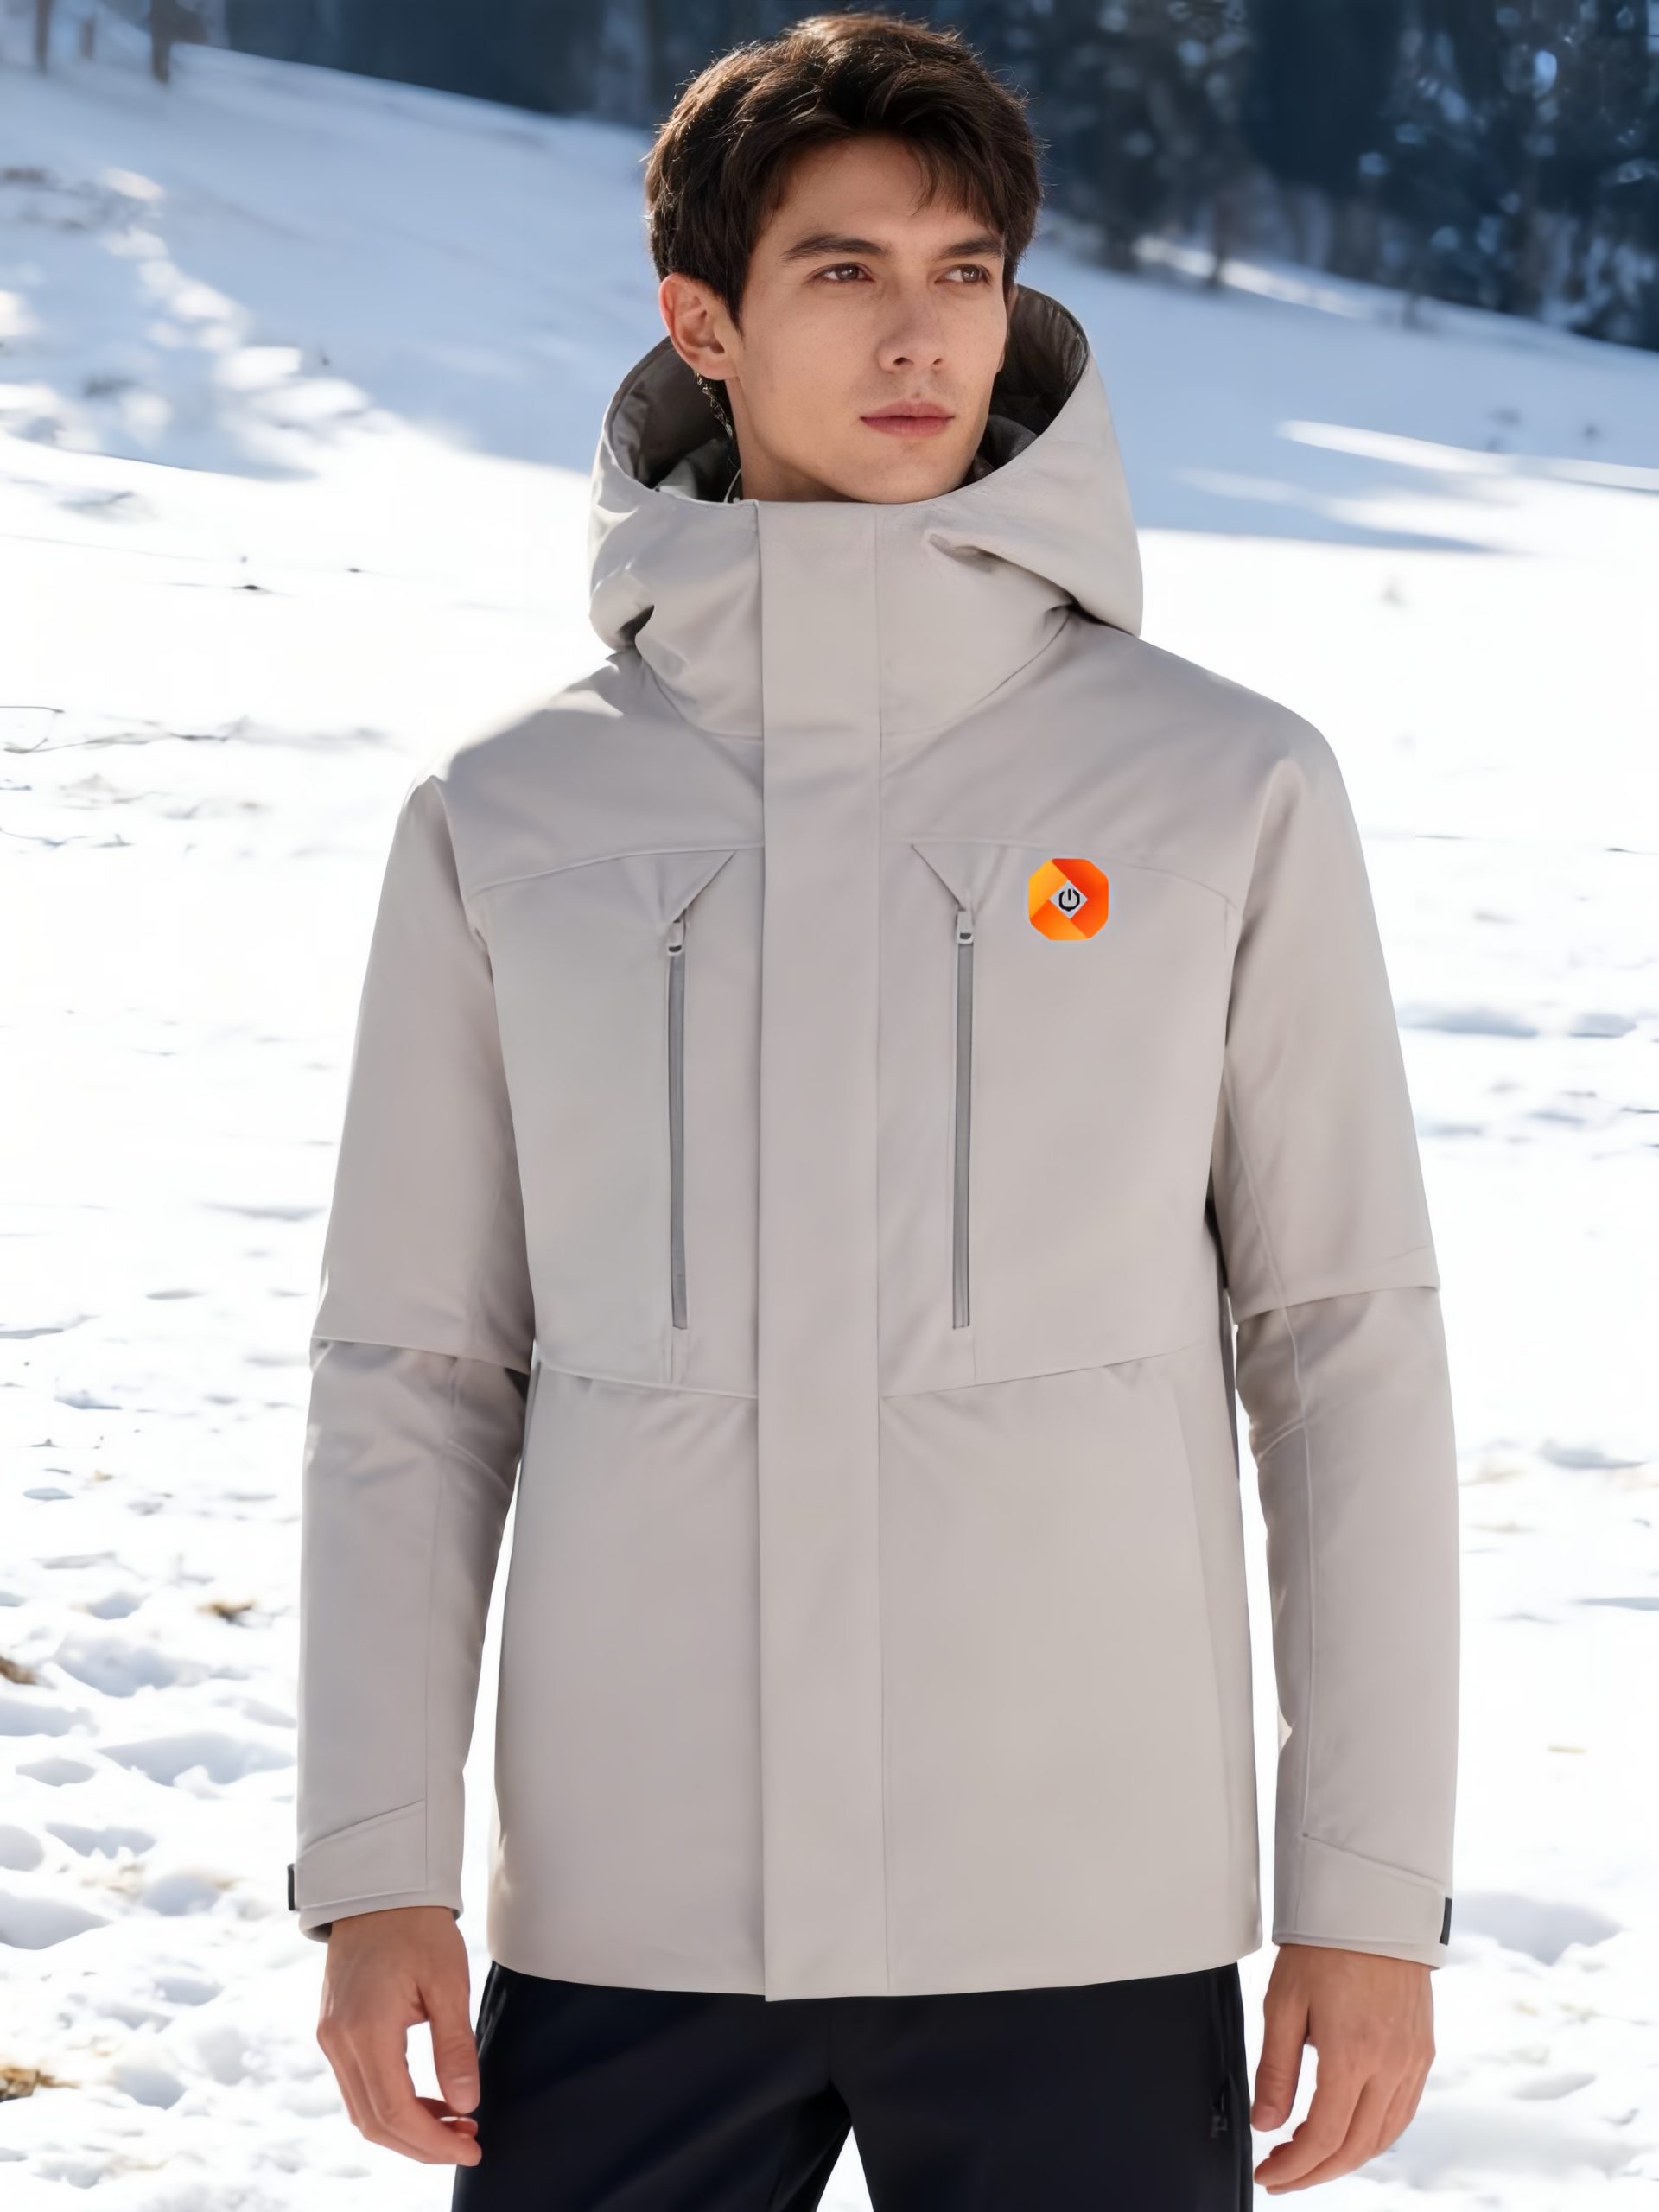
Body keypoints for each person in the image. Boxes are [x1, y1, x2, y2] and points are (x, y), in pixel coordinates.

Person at [289, 12, 1460, 2206]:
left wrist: (1370, 1892)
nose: (922, 335)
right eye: (842, 271)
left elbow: (1345, 1347)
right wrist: (373, 1864)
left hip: (1081, 1898)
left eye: (965, 270)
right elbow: (415, 1366)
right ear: (702, 322)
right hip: (631, 1901)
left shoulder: (1221, 785)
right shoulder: (512, 813)